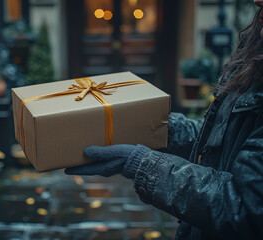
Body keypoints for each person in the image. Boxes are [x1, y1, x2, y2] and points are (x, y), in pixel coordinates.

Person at [65, 1, 263, 239]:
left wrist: (143, 164)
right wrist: (154, 128)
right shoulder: (254, 51)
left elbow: (246, 209)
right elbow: (224, 145)